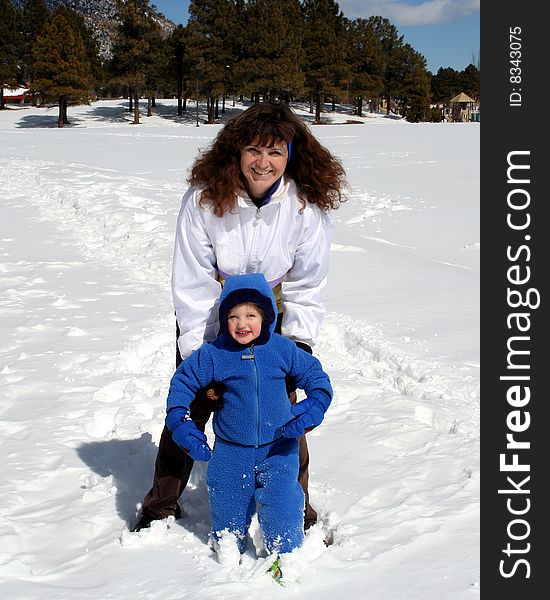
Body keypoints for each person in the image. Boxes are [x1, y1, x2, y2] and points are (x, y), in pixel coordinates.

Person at [133, 101, 346, 532]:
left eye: (275, 152)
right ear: (236, 151)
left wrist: (297, 344)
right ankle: (161, 504)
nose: (263, 163)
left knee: (280, 408)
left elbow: (307, 284)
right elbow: (192, 281)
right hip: (211, 308)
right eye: (253, 150)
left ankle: (295, 505)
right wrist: (201, 355)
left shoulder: (305, 208)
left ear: (291, 154)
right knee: (190, 405)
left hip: (274, 312)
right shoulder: (204, 199)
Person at [164, 273, 333, 559]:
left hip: (279, 448)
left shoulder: (282, 349)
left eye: (251, 315)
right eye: (233, 316)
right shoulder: (214, 354)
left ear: (266, 316)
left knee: (283, 505)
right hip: (231, 451)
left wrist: (317, 402)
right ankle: (230, 559)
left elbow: (316, 376)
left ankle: (286, 557)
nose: (242, 324)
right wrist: (178, 417)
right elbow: (183, 382)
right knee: (228, 515)